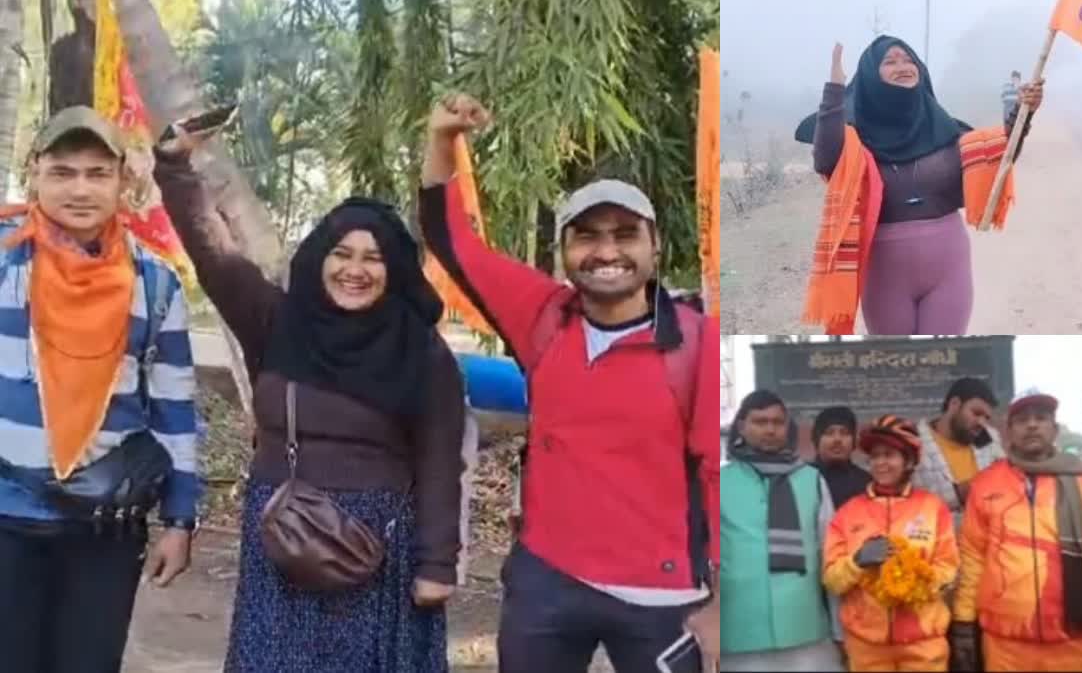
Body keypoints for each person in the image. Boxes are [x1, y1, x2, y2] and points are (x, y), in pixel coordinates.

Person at [419, 93, 720, 673]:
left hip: (662, 596)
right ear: (564, 253)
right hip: (548, 578)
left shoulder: (695, 343)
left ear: (654, 248)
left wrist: (723, 605)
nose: (606, 251)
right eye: (586, 236)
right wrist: (442, 139)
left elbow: (718, 476)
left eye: (625, 234)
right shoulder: (543, 317)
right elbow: (452, 242)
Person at [154, 125, 465, 672]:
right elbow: (215, 254)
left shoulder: (422, 351)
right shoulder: (276, 322)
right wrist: (177, 169)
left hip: (378, 546)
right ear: (319, 257)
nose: (355, 270)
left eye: (374, 258)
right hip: (282, 533)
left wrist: (437, 564)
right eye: (341, 253)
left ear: (394, 270)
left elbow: (441, 458)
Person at [0, 106, 199, 673]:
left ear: (123, 180)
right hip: (6, 518)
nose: (80, 189)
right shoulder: (5, 260)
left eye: (97, 173)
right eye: (63, 172)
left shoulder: (154, 283)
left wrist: (179, 521)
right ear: (34, 172)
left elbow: (174, 412)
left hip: (103, 529)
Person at [801, 36, 1045, 335]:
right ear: (869, 78)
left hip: (947, 269)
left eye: (908, 60)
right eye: (889, 62)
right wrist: (835, 89)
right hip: (884, 275)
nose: (902, 67)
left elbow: (1002, 154)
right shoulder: (853, 139)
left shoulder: (947, 131)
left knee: (944, 355)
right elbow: (825, 159)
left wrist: (1024, 112)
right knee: (899, 361)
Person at [951, 390, 1082, 672]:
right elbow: (972, 559)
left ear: (1054, 429)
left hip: (1075, 643)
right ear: (1009, 431)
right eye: (1022, 420)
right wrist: (963, 624)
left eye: (1041, 418)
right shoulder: (985, 485)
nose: (1032, 425)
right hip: (1005, 645)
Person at [823, 415, 959, 671]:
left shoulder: (933, 508)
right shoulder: (848, 513)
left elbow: (949, 570)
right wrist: (858, 561)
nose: (881, 463)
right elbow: (832, 580)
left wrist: (917, 581)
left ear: (908, 461)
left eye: (889, 455)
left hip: (924, 645)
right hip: (867, 647)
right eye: (875, 456)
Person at [721, 390, 844, 672]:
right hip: (739, 632)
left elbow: (831, 556)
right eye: (760, 422)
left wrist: (840, 631)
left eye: (777, 422)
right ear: (742, 426)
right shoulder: (720, 482)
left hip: (805, 629)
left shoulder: (811, 480)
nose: (770, 429)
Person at [912, 377, 1005, 527]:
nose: (981, 422)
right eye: (976, 413)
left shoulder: (989, 440)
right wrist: (962, 492)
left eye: (986, 418)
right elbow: (907, 503)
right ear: (954, 404)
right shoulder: (913, 441)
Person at [810, 405, 870, 509]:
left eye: (844, 433)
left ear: (854, 441)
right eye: (829, 433)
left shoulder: (867, 483)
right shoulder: (802, 479)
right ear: (817, 439)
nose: (837, 439)